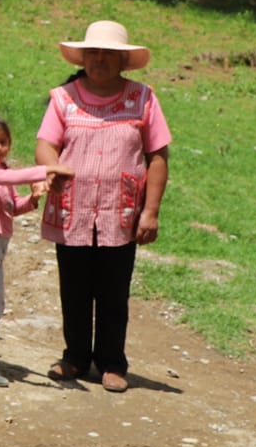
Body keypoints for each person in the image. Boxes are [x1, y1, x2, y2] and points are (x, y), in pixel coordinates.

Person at [36, 20, 171, 393]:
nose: (99, 60)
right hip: (73, 210)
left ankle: (112, 362)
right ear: (83, 57)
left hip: (120, 211)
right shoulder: (64, 98)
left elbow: (157, 156)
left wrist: (151, 210)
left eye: (108, 54)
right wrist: (53, 165)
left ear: (122, 61)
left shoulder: (143, 99)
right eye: (93, 52)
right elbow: (46, 143)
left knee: (114, 291)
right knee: (74, 287)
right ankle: (76, 357)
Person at [0, 113, 69, 386]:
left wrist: (33, 199)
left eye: (3, 142)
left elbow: (11, 208)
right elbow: (19, 175)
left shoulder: (1, 174)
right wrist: (49, 170)